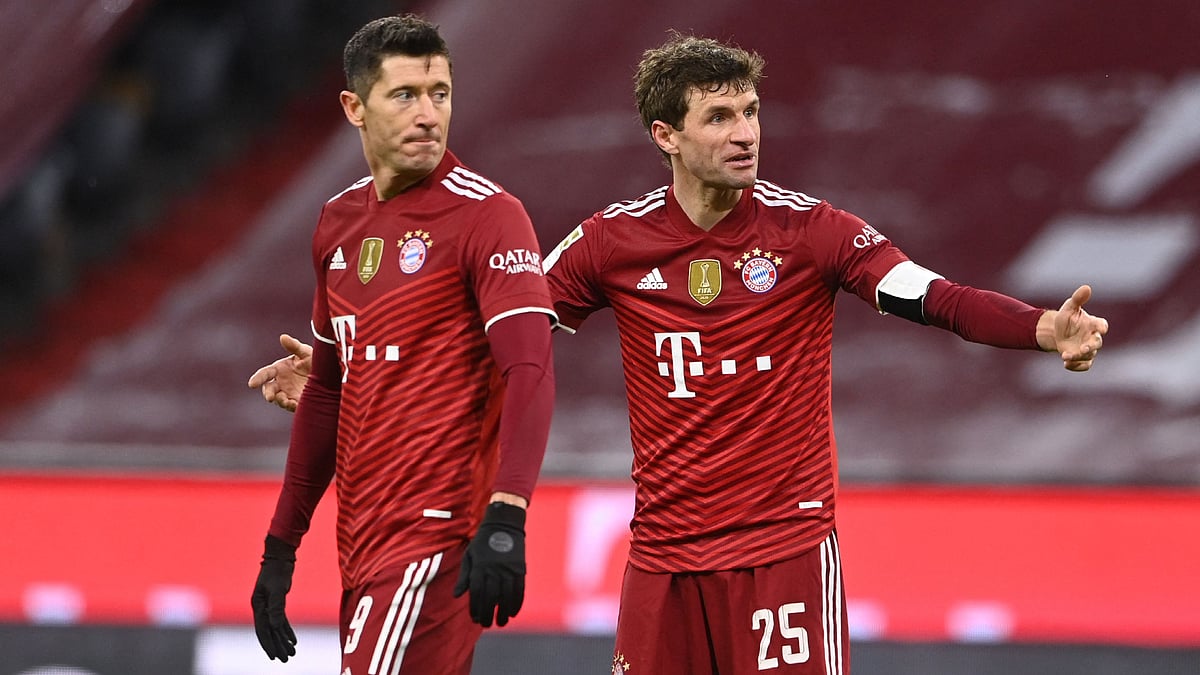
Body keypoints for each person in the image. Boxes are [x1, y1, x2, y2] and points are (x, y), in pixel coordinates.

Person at [252, 33, 1108, 675]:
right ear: (666, 134)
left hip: (784, 551)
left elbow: (933, 296)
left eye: (751, 112)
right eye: (720, 116)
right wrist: (364, 372)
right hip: (662, 561)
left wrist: (1041, 328)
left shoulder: (811, 232)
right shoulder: (608, 244)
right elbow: (503, 346)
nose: (746, 134)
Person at [245, 14, 557, 674]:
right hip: (361, 543)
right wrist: (281, 544)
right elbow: (328, 390)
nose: (428, 114)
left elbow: (530, 366)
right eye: (405, 95)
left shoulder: (489, 215)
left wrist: (507, 513)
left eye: (440, 93)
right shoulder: (337, 223)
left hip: (436, 536)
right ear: (354, 107)